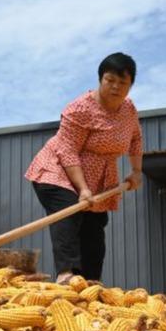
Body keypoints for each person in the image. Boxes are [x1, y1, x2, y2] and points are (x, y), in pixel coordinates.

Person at [24, 52, 143, 285]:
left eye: (123, 82)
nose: (116, 87)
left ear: (130, 86)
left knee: (95, 225)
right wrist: (82, 189)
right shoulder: (80, 109)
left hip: (97, 176)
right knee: (69, 211)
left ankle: (91, 281)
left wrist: (136, 171)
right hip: (57, 170)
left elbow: (136, 139)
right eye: (110, 80)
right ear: (100, 80)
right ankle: (66, 275)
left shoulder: (128, 109)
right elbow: (67, 150)